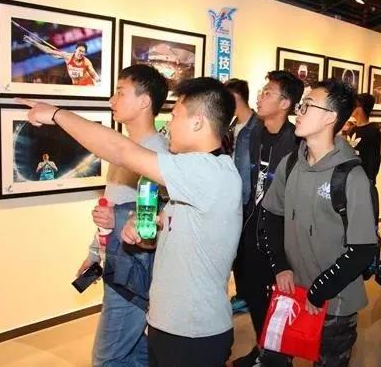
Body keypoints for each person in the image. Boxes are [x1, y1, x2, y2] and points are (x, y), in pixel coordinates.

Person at [19, 77, 241, 367]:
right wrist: (143, 231)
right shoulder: (191, 177)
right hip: (167, 324)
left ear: (198, 122)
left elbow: (121, 151)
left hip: (193, 333)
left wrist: (56, 114)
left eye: (175, 116)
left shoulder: (208, 171)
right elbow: (167, 240)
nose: (169, 124)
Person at [262, 78, 378, 366]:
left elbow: (363, 249)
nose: (298, 112)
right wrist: (280, 266)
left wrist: (319, 291)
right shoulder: (290, 163)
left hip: (334, 303)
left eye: (307, 106)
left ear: (330, 117)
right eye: (300, 105)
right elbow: (272, 215)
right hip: (290, 292)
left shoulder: (351, 176)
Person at [74, 65, 169, 367]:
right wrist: (94, 253)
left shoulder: (154, 154)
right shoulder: (126, 149)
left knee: (107, 358)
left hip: (134, 272)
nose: (111, 100)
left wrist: (117, 219)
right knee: (135, 351)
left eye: (120, 92)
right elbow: (112, 208)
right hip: (118, 262)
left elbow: (158, 217)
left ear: (144, 101)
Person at [232, 70, 303, 367]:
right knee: (252, 294)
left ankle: (277, 357)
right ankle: (264, 349)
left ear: (285, 103)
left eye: (268, 93)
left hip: (279, 235)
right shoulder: (253, 135)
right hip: (250, 228)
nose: (260, 97)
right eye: (262, 91)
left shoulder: (297, 142)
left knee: (279, 301)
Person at [224, 78, 260, 315]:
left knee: (248, 250)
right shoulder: (231, 125)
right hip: (232, 197)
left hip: (249, 199)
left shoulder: (258, 127)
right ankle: (243, 293)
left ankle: (248, 295)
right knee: (236, 249)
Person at [23, 36, 100, 86]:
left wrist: (99, 83)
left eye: (83, 52)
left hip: (87, 84)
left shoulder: (86, 62)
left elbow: (94, 74)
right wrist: (34, 43)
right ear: (75, 50)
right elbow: (49, 51)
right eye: (79, 50)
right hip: (76, 86)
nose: (81, 53)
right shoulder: (68, 56)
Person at [347, 94, 381, 183]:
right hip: (349, 176)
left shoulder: (372, 131)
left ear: (360, 108)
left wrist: (370, 180)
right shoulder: (351, 129)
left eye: (354, 105)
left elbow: (374, 158)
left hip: (362, 178)